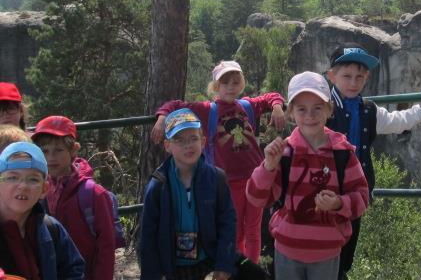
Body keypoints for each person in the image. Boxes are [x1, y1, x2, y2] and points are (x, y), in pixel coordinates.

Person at [325, 42, 421, 279]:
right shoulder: (322, 108)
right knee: (324, 250)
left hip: (356, 194)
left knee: (345, 256)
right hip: (326, 193)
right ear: (332, 76)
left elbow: (399, 121)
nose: (353, 82)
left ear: (366, 78)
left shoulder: (368, 110)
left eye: (359, 76)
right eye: (346, 76)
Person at [151, 60, 285, 263]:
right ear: (216, 87)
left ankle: (252, 271)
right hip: (229, 182)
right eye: (225, 83)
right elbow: (175, 105)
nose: (231, 87)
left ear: (241, 84)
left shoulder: (247, 105)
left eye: (235, 82)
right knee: (236, 229)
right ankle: (237, 271)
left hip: (256, 178)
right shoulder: (207, 110)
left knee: (254, 230)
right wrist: (162, 118)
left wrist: (277, 107)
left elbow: (271, 97)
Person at [246, 71, 369, 280]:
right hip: (287, 250)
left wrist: (339, 203)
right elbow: (257, 198)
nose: (310, 116)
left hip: (327, 252)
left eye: (317, 108)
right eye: (301, 109)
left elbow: (362, 198)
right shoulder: (284, 153)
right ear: (291, 113)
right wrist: (268, 167)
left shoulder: (342, 153)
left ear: (329, 110)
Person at [140, 108, 237, 280]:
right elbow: (148, 237)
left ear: (203, 141)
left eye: (193, 138)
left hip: (208, 262)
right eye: (179, 140)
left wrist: (224, 264)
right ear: (167, 146)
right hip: (172, 267)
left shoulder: (217, 179)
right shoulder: (158, 186)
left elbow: (227, 223)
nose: (188, 145)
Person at [32, 115, 116, 280]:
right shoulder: (37, 190)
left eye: (58, 150)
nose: (50, 157)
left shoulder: (94, 194)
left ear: (73, 151)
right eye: (44, 150)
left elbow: (106, 247)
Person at [0, 141, 84, 279]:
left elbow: (73, 270)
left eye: (33, 179)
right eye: (12, 178)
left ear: (44, 189)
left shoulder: (52, 229)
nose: (23, 186)